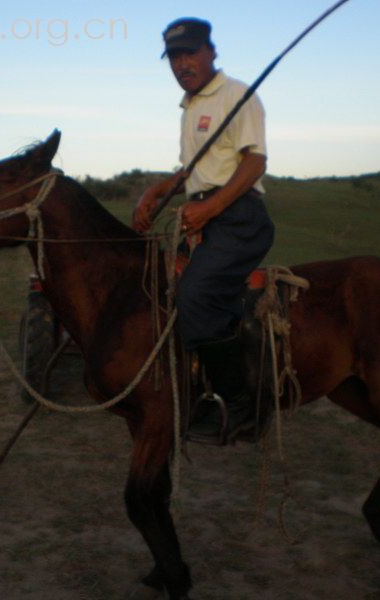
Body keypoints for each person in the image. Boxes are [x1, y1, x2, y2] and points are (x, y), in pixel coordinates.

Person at [133, 17, 275, 445]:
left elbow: (254, 162)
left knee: (196, 294)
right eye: (174, 56)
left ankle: (242, 406)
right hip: (204, 215)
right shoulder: (190, 106)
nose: (182, 64)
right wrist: (156, 192)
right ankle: (192, 388)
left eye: (190, 52)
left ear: (211, 51)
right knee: (161, 286)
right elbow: (192, 172)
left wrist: (211, 206)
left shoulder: (238, 94)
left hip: (238, 217)